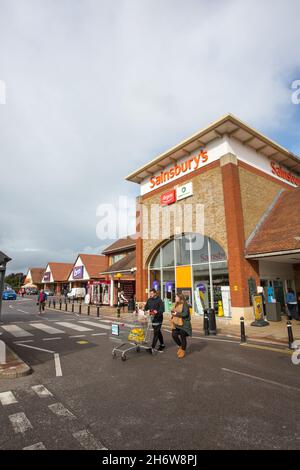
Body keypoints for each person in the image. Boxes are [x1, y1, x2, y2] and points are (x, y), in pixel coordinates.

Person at [171, 293, 192, 359]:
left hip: (184, 324)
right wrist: (172, 312)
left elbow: (185, 314)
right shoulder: (176, 303)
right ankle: (180, 346)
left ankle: (183, 350)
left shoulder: (185, 304)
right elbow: (173, 310)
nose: (175, 298)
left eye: (176, 297)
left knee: (183, 335)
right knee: (174, 335)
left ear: (180, 298)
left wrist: (176, 313)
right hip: (177, 323)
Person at [144, 288, 165, 353]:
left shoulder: (159, 300)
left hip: (158, 318)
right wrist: (144, 310)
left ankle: (152, 347)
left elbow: (162, 310)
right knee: (158, 332)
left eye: (152, 293)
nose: (151, 295)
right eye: (150, 293)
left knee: (156, 333)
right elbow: (146, 308)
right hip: (152, 318)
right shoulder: (149, 300)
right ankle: (162, 344)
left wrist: (157, 311)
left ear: (155, 293)